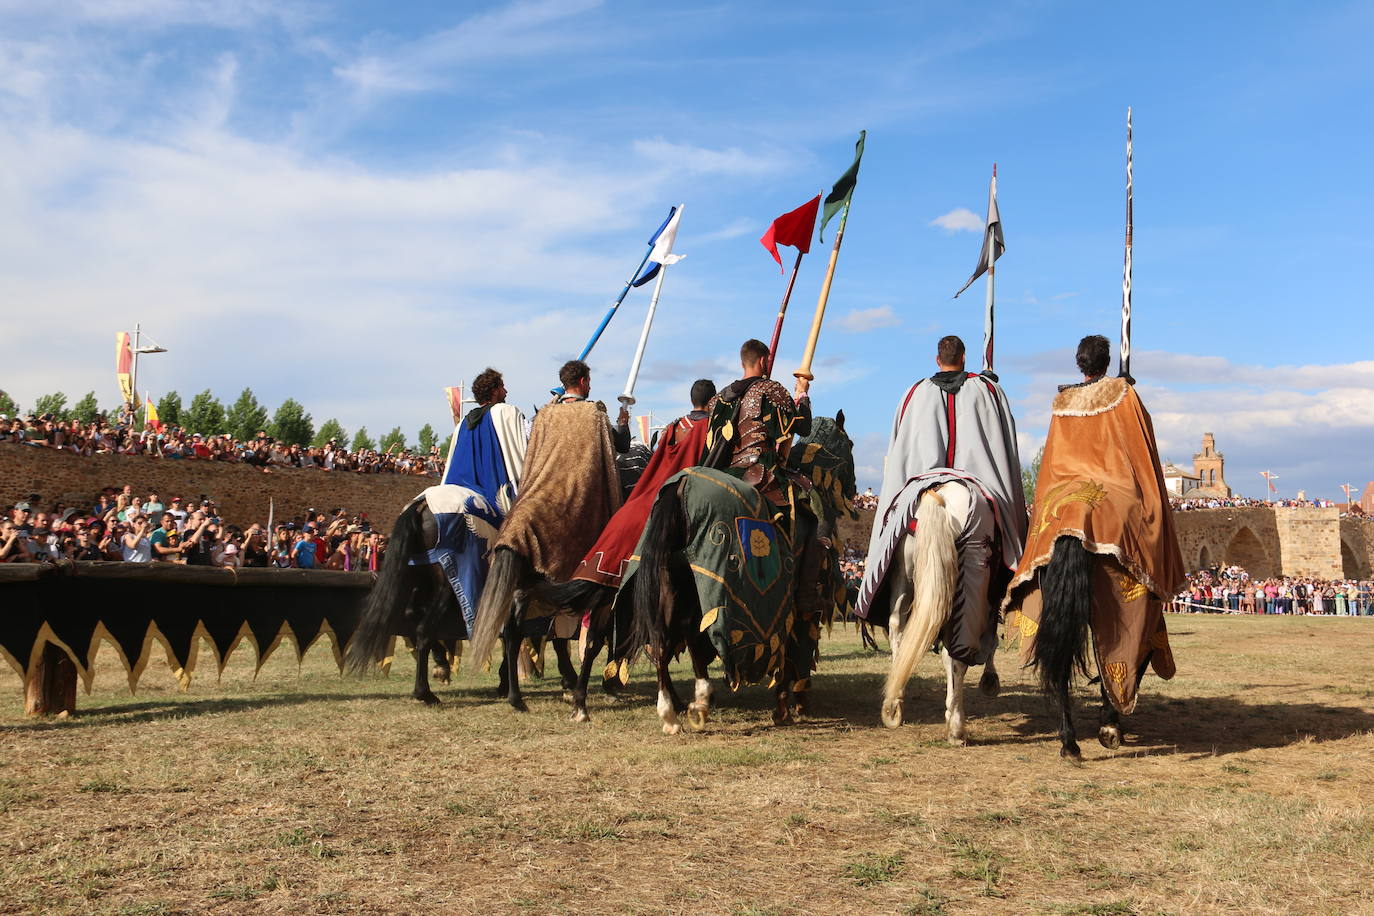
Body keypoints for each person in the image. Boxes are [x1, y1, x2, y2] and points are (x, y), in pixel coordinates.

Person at [1004, 334, 1184, 716]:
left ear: (1079, 364)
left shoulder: (1062, 402)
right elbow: (1142, 453)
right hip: (1113, 493)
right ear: (1105, 362)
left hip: (1067, 495)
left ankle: (1033, 609)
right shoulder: (1125, 395)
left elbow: (1052, 466)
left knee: (1045, 536)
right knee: (1143, 546)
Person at [854, 334, 1028, 666]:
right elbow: (1004, 447)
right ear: (964, 357)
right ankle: (1003, 604)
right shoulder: (988, 392)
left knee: (893, 531)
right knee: (1006, 532)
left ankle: (887, 602)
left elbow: (900, 452)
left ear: (938, 360)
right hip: (979, 485)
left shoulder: (914, 394)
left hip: (921, 486)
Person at [572, 378, 717, 589]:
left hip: (656, 489)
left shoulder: (673, 427)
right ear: (712, 401)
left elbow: (659, 461)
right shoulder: (711, 428)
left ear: (691, 399)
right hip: (686, 494)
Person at [701, 338, 812, 520]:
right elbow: (804, 428)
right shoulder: (771, 390)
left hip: (719, 472)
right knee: (798, 505)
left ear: (742, 362)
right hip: (759, 471)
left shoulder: (717, 400)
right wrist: (803, 394)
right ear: (763, 361)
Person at [553, 359, 631, 453]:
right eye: (588, 382)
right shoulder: (594, 415)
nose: (590, 387)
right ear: (582, 381)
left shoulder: (546, 416)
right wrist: (623, 422)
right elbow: (622, 446)